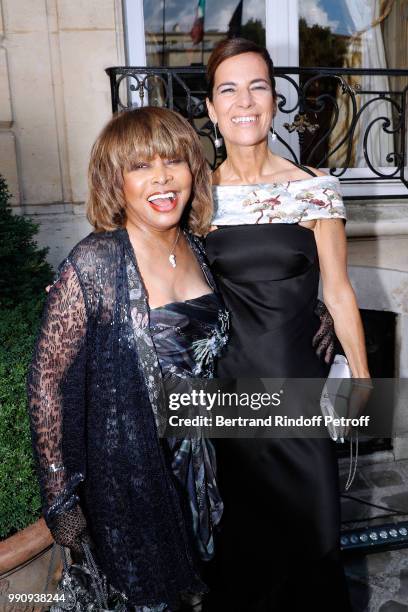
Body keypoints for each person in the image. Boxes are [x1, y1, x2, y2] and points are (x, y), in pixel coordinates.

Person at [26, 107, 230, 611]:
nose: (161, 178)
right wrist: (60, 495)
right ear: (116, 181)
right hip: (132, 478)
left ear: (193, 171)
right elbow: (46, 381)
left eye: (174, 161)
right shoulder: (94, 262)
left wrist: (311, 309)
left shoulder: (197, 248)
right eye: (141, 166)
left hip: (204, 469)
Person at [202, 38, 371, 612]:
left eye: (257, 86)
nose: (244, 101)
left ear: (275, 101)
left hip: (301, 389)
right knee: (244, 546)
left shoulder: (315, 187)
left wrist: (363, 378)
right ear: (210, 108)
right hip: (227, 396)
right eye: (228, 88)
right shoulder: (194, 198)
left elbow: (339, 289)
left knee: (315, 538)